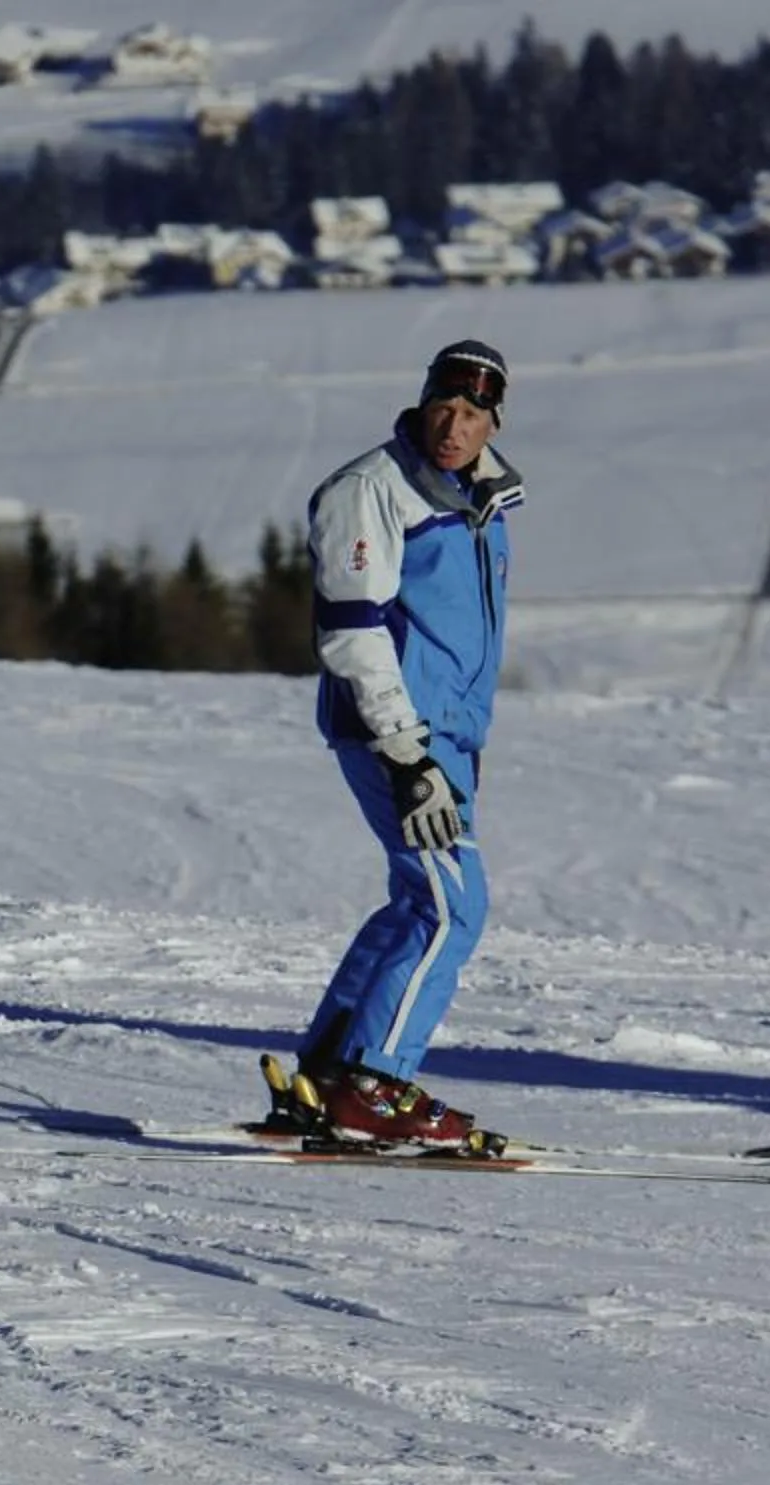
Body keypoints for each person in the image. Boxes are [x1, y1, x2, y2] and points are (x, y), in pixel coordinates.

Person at [280, 340, 526, 1145]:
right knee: (453, 906)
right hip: (396, 736)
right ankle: (376, 1083)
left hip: (446, 738)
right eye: (441, 408)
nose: (453, 426)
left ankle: (326, 1075)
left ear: (494, 420)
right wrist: (406, 752)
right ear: (421, 403)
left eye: (471, 414)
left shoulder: (476, 499)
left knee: (417, 900)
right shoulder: (373, 491)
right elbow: (353, 631)